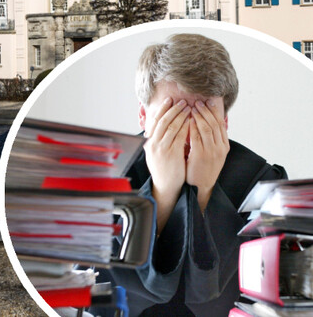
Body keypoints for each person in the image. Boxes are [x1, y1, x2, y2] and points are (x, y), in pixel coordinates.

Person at [105, 33, 286, 316]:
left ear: (224, 121)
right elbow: (101, 291)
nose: (188, 131)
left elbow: (248, 296)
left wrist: (203, 194)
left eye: (203, 114)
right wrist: (162, 195)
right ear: (143, 115)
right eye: (172, 115)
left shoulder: (264, 186)